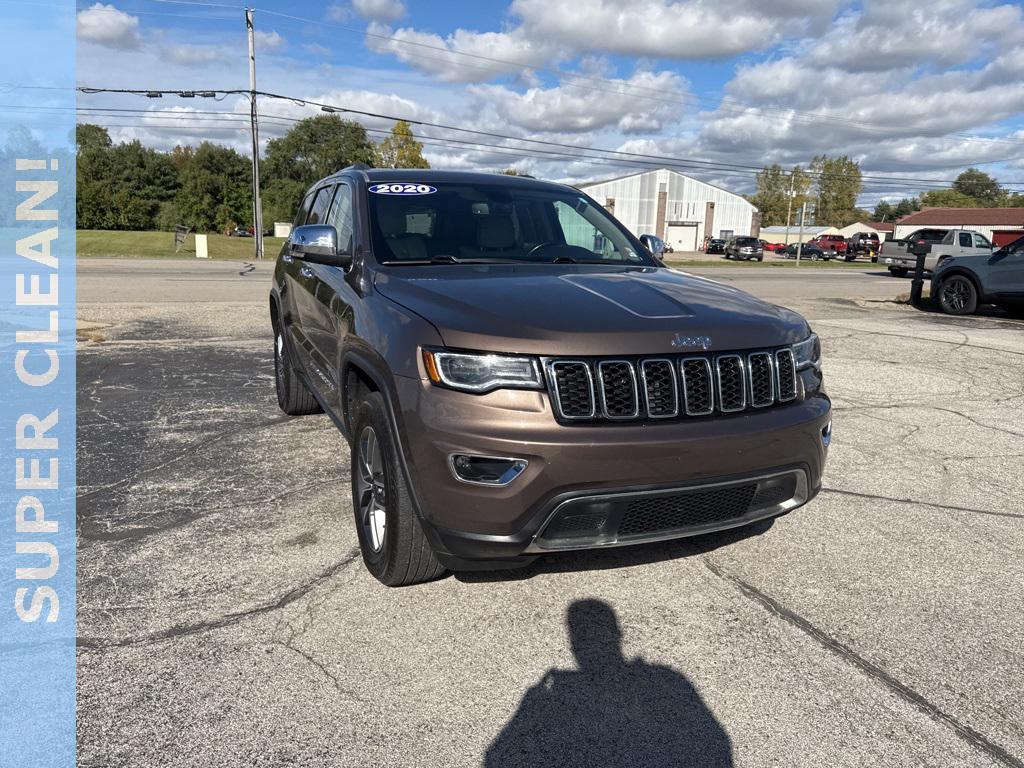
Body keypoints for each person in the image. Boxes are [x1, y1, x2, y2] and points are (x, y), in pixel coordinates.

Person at [485, 599, 733, 767]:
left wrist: (533, 701)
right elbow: (719, 742)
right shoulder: (670, 678)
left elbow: (494, 756)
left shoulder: (670, 679)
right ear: (619, 634)